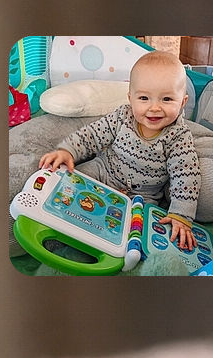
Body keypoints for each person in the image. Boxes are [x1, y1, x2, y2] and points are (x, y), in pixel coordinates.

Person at [39, 50, 199, 251]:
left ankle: (105, 247)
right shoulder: (122, 117)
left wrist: (181, 215)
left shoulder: (179, 137)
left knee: (140, 229)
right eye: (144, 98)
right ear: (130, 98)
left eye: (167, 99)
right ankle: (58, 224)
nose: (155, 108)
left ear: (183, 102)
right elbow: (92, 134)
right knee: (71, 182)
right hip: (103, 171)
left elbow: (186, 177)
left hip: (144, 195)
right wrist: (68, 151)